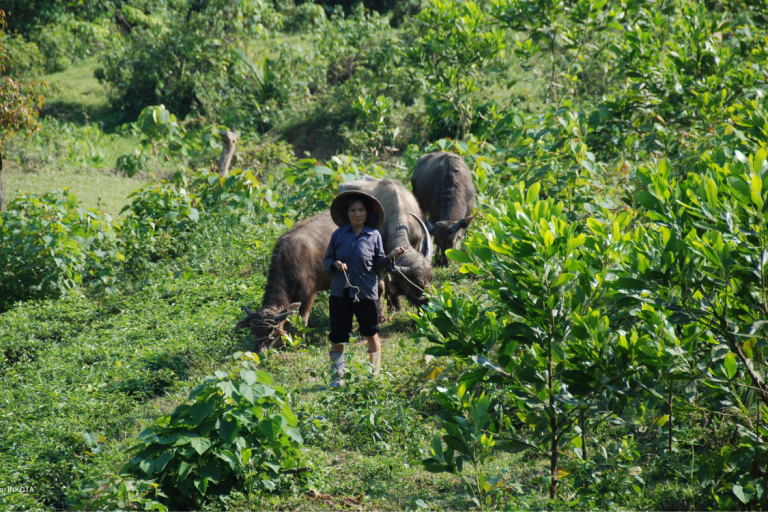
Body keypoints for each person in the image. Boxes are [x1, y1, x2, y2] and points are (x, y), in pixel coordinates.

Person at [323, 191, 407, 387]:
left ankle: (374, 377)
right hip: (340, 293)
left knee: (371, 333)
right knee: (338, 335)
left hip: (366, 293)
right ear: (346, 213)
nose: (357, 214)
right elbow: (327, 259)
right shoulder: (338, 235)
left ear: (368, 213)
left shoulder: (374, 235)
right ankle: (337, 379)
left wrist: (391, 256)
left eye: (361, 210)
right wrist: (335, 264)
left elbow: (378, 264)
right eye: (353, 210)